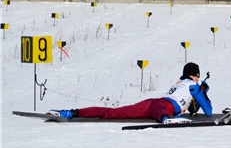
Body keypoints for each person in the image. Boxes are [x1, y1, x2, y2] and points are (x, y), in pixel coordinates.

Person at [48, 62, 212, 124]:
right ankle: (166, 119)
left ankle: (70, 112)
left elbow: (192, 110)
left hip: (153, 103)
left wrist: (200, 95)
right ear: (196, 75)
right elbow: (208, 111)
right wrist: (204, 92)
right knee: (162, 113)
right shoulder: (193, 86)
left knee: (113, 113)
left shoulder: (180, 83)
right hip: (164, 106)